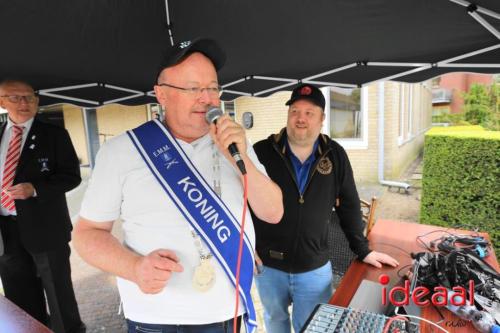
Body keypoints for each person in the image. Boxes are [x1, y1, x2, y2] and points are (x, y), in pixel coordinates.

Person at [73, 38, 283, 333]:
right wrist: (133, 267)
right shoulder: (122, 150)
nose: (207, 98)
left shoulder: (234, 144)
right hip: (156, 318)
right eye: (193, 88)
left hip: (226, 313)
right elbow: (86, 235)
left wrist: (242, 158)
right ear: (162, 95)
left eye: (212, 88)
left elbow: (273, 212)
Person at [251, 83, 400, 333]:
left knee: (312, 328)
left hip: (313, 268)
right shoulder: (261, 152)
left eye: (309, 113)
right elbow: (240, 201)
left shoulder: (335, 154)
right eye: (295, 111)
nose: (301, 119)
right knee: (275, 321)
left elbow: (350, 206)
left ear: (322, 119)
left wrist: (362, 250)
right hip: (268, 266)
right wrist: (245, 244)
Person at [0, 79, 85, 333]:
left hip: (46, 228)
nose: (24, 102)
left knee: (59, 294)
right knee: (19, 295)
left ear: (37, 101)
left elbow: (72, 176)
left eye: (29, 97)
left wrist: (34, 188)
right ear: (1, 102)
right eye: (15, 97)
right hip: (6, 231)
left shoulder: (54, 134)